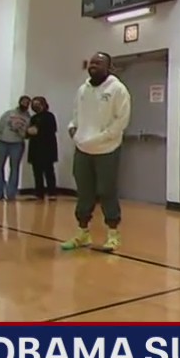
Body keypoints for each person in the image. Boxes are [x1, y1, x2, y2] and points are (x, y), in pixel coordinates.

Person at [62, 52, 131, 253]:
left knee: (106, 191)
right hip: (82, 149)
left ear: (108, 67)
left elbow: (121, 121)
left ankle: (112, 235)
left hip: (107, 149)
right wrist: (73, 130)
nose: (94, 65)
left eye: (99, 63)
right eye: (92, 62)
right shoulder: (82, 89)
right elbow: (75, 116)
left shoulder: (118, 89)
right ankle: (82, 233)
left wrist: (102, 137)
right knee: (84, 193)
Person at [0, 95, 32, 201]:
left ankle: (11, 194)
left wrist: (19, 129)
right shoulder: (9, 114)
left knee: (15, 169)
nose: (25, 104)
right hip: (2, 142)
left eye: (27, 102)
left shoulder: (28, 118)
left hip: (17, 144)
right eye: (23, 101)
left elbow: (26, 135)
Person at [26, 96, 59, 200]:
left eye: (38, 104)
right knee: (37, 172)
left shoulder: (50, 116)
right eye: (34, 105)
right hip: (35, 148)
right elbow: (29, 132)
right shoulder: (33, 118)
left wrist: (38, 131)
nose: (36, 107)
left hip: (47, 148)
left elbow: (52, 129)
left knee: (49, 171)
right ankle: (39, 193)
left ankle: (52, 193)